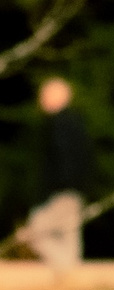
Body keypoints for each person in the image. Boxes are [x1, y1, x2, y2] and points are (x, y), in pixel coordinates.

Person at [21, 76, 89, 271]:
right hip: (74, 191)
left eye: (45, 95)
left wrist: (52, 190)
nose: (41, 99)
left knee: (36, 232)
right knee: (69, 236)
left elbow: (60, 162)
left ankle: (66, 271)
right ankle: (71, 280)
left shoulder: (58, 126)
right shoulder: (77, 123)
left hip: (59, 192)